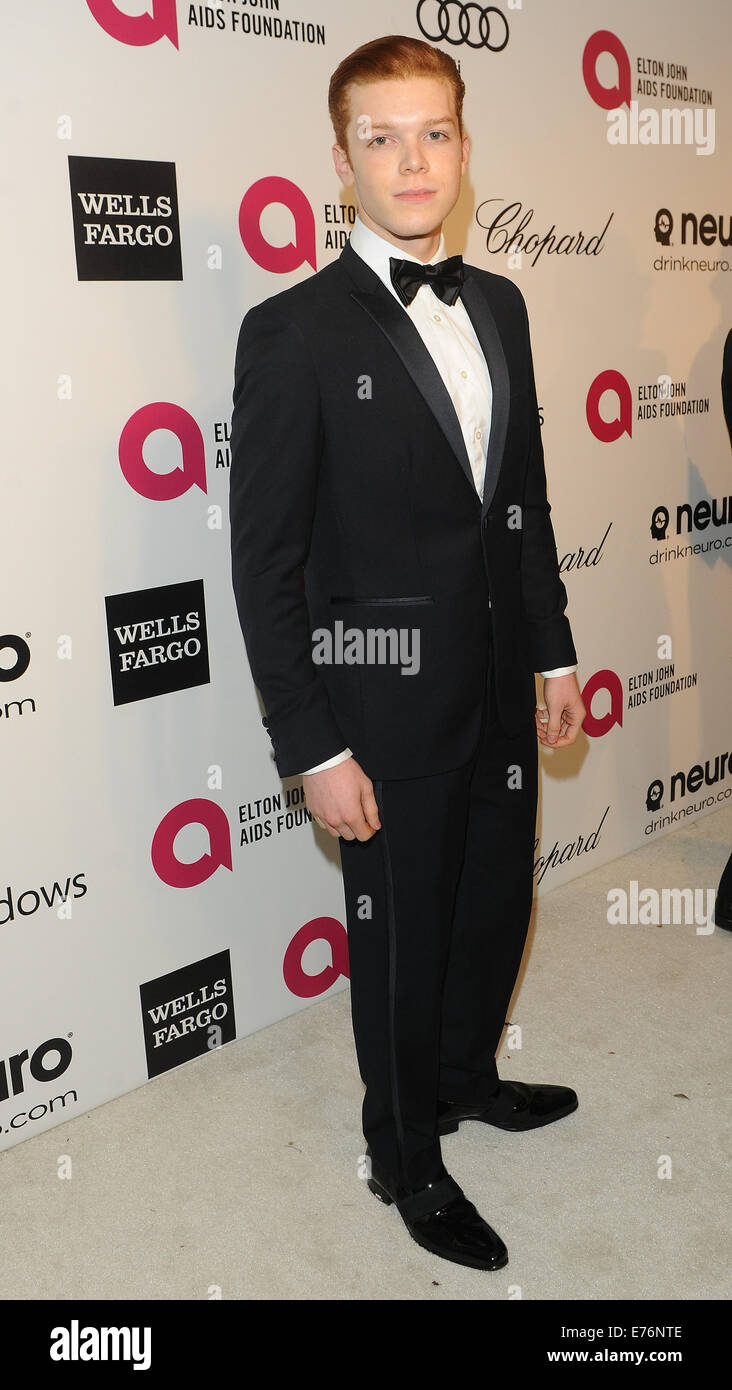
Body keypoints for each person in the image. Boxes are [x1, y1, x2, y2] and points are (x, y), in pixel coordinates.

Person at [229, 34, 586, 1271]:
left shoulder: (503, 302)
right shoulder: (292, 334)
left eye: (433, 130)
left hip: (496, 685)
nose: (411, 158)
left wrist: (550, 655)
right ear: (341, 163)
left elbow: (523, 498)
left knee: (493, 905)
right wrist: (312, 741)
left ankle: (465, 1078)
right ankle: (405, 1155)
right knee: (398, 935)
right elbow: (265, 566)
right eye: (380, 136)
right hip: (377, 710)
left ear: (467, 147)